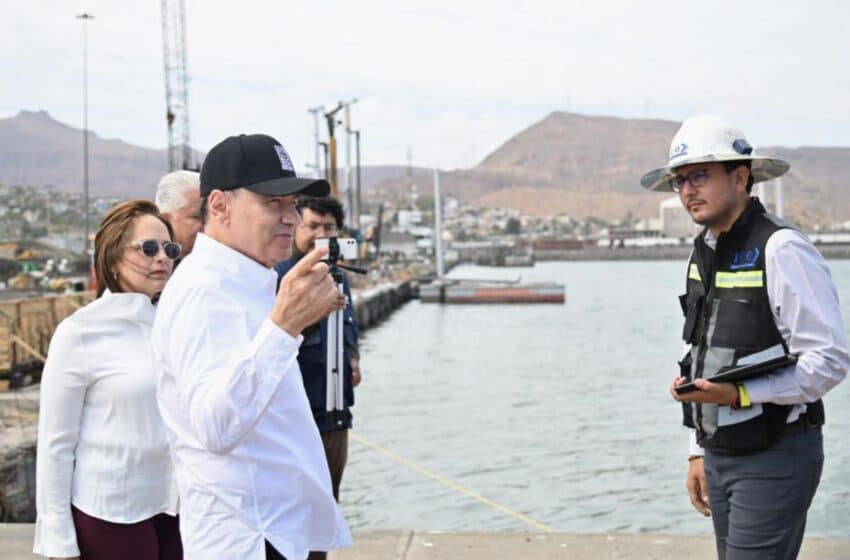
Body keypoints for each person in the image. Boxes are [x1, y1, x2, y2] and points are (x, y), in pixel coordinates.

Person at [642, 115, 849, 560]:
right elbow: (697, 351)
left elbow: (829, 360)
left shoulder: (782, 248)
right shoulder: (704, 250)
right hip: (719, 454)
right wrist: (696, 451)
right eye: (680, 180)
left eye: (699, 176)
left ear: (740, 178)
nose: (687, 190)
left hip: (776, 454)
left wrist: (740, 394)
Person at [152, 133, 352, 560]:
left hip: (276, 530)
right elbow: (215, 426)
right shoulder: (204, 292)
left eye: (292, 203)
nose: (291, 218)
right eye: (272, 202)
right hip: (248, 537)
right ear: (219, 206)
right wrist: (284, 326)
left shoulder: (246, 282)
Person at [34, 200, 182, 560]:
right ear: (113, 258)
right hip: (111, 512)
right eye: (148, 248)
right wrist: (59, 542)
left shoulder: (173, 325)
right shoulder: (80, 333)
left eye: (169, 249)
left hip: (174, 507)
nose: (161, 258)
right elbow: (55, 444)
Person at [274, 197, 360, 560]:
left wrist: (353, 357)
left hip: (336, 414)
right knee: (294, 515)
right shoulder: (283, 277)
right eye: (312, 226)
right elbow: (276, 342)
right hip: (299, 417)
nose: (320, 235)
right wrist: (314, 313)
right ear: (296, 227)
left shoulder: (339, 276)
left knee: (326, 510)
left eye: (328, 228)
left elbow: (349, 325)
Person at [155, 170, 203, 259]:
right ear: (165, 220)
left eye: (209, 216)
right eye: (196, 217)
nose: (207, 223)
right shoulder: (145, 264)